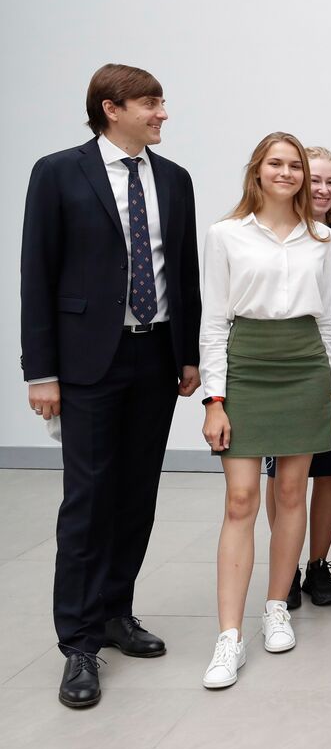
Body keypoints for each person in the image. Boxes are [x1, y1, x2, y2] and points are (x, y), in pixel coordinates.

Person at [22, 64, 202, 708]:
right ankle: (77, 642)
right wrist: (40, 371)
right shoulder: (57, 173)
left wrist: (187, 354)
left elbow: (182, 272)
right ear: (111, 107)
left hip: (154, 358)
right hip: (85, 365)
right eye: (151, 103)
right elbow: (35, 274)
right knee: (87, 499)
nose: (161, 114)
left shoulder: (174, 179)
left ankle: (116, 613)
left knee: (135, 495)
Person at [198, 132, 331, 689]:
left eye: (295, 165)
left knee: (289, 494)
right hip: (247, 365)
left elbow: (326, 323)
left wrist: (327, 389)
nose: (286, 173)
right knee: (240, 499)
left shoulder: (321, 238)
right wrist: (215, 399)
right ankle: (228, 637)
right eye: (275, 164)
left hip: (304, 365)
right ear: (257, 171)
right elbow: (212, 321)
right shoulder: (226, 235)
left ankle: (277, 605)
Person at [264, 146, 331, 609]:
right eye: (313, 178)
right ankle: (287, 567)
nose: (321, 188)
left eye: (329, 181)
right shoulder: (274, 233)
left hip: (330, 366)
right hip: (282, 370)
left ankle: (317, 565)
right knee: (282, 475)